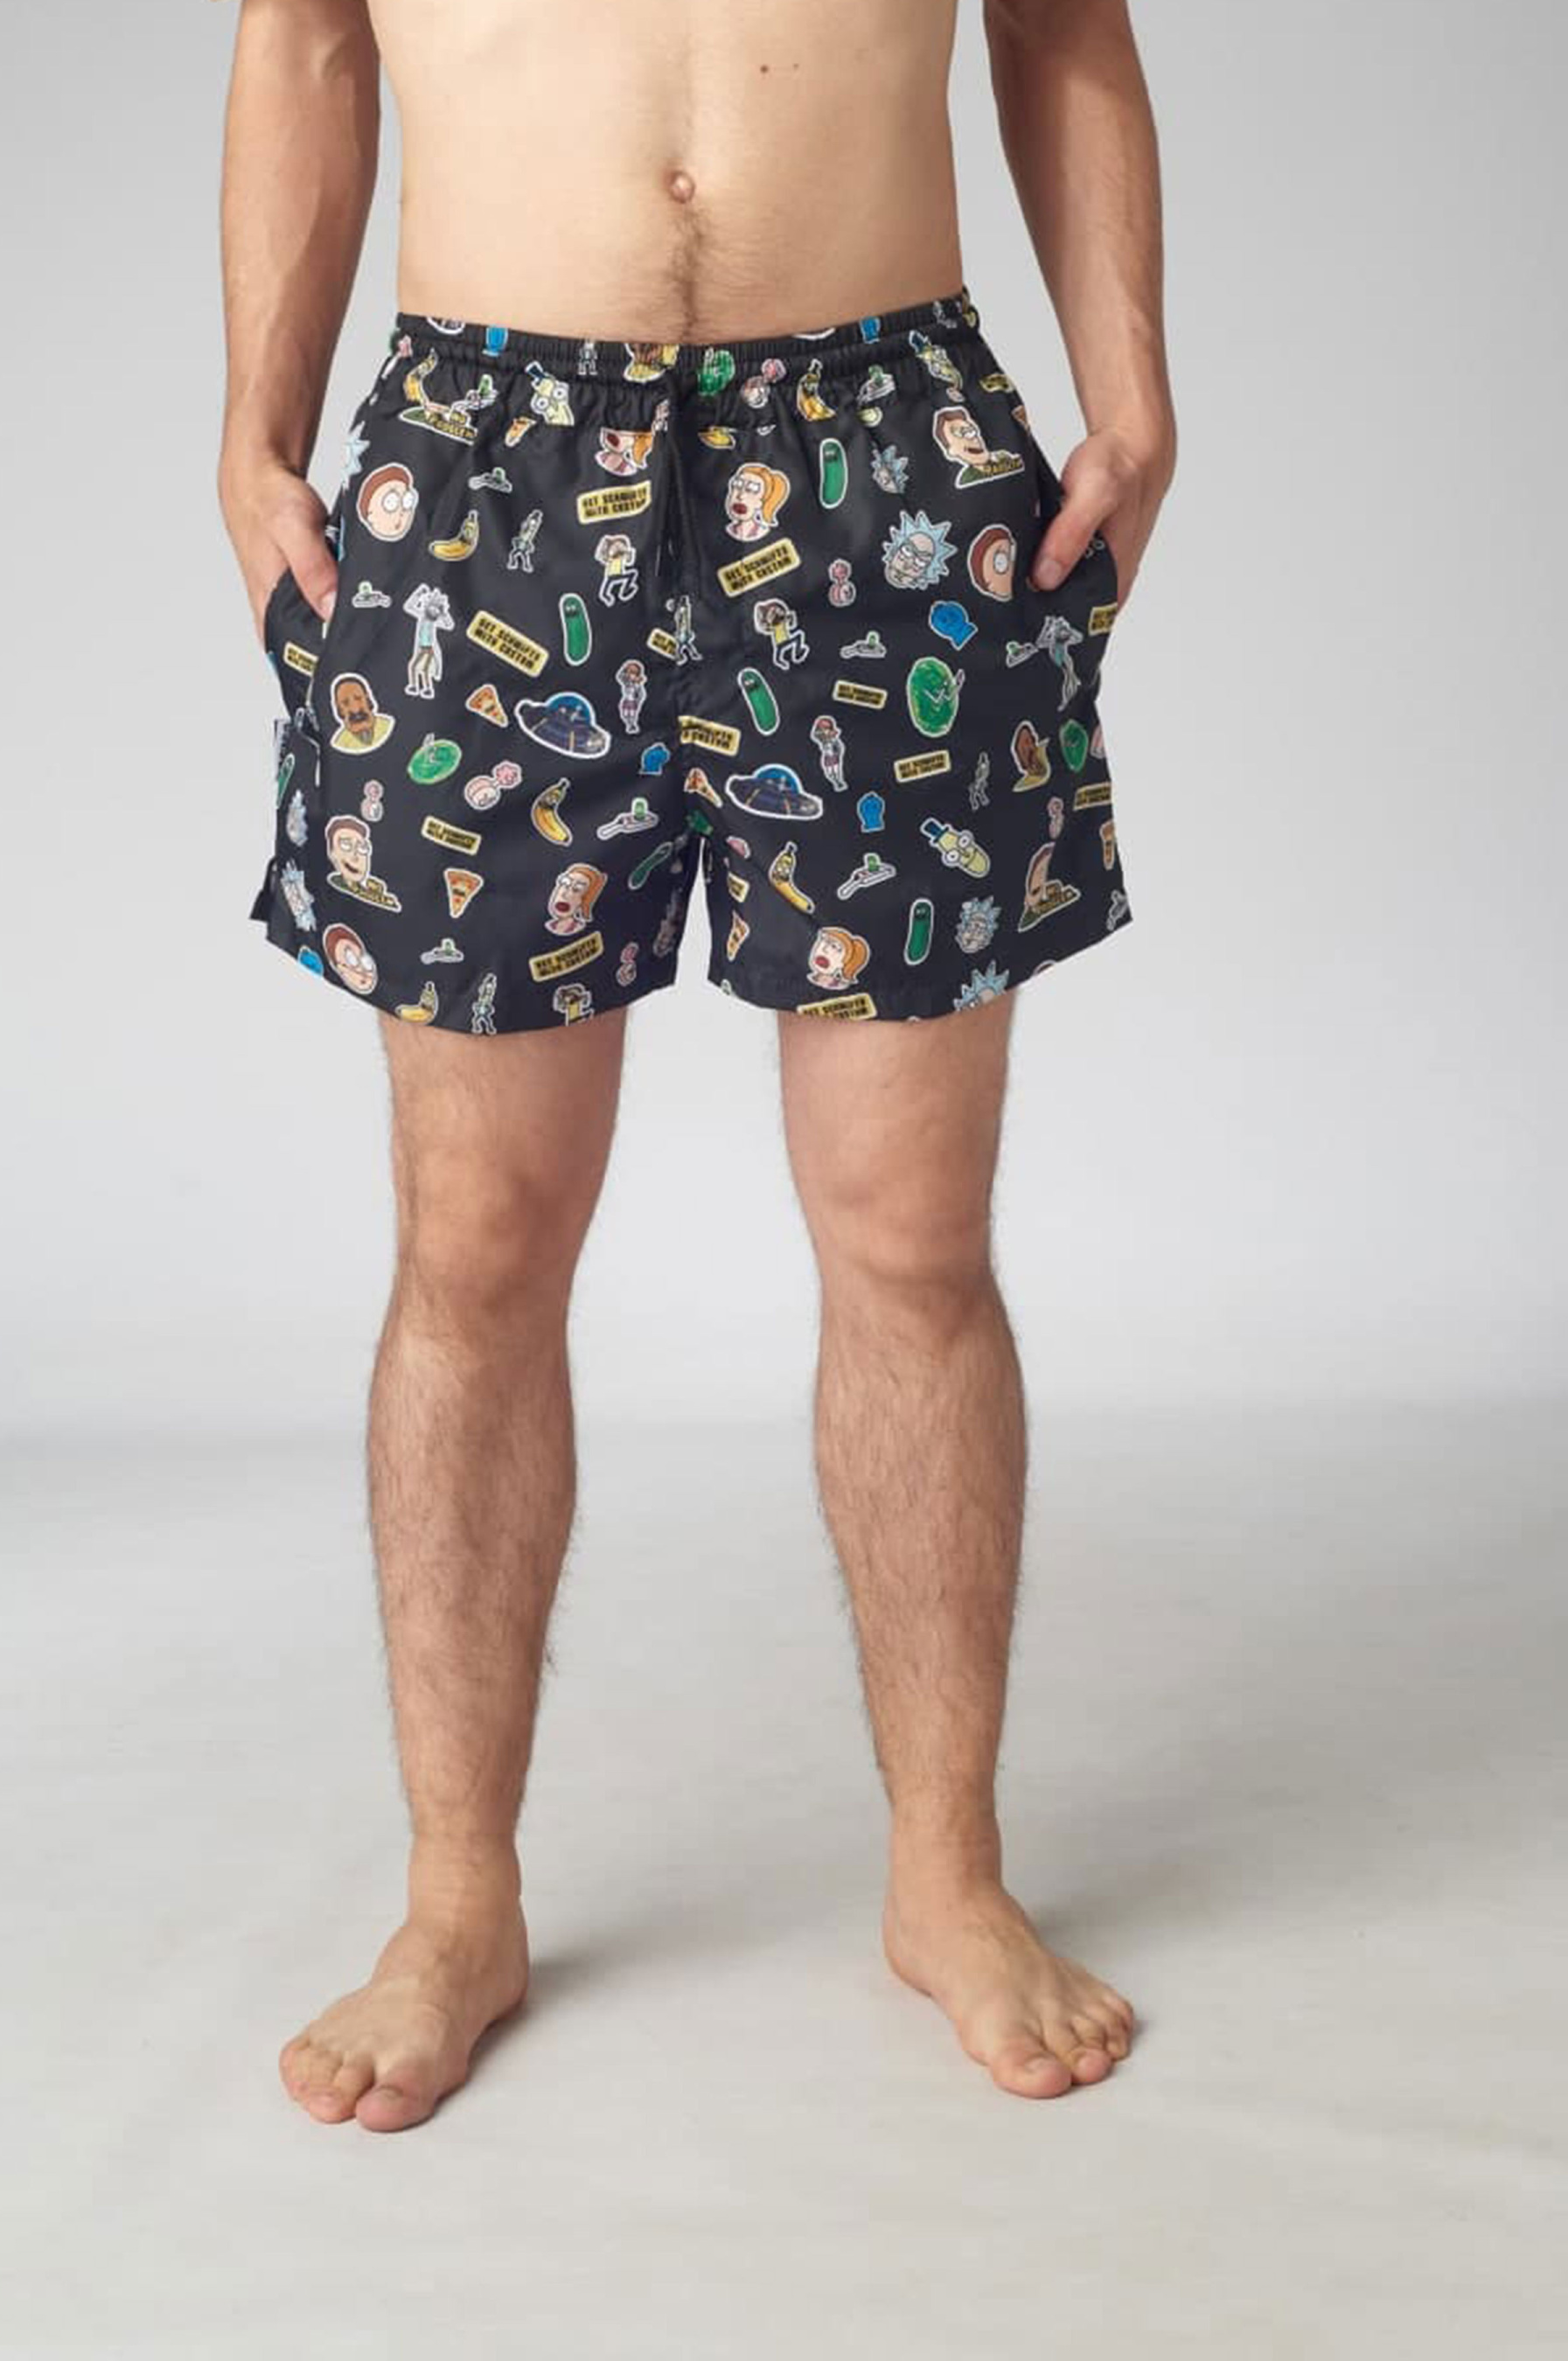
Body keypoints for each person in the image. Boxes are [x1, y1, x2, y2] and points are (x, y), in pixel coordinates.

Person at [217, 0, 1176, 2129]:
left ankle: (948, 1877)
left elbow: (1059, 19)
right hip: (483, 470)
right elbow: (302, 40)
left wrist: (1129, 390)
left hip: (883, 455)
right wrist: (252, 431)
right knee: (474, 1244)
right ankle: (455, 1900)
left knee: (910, 1236)